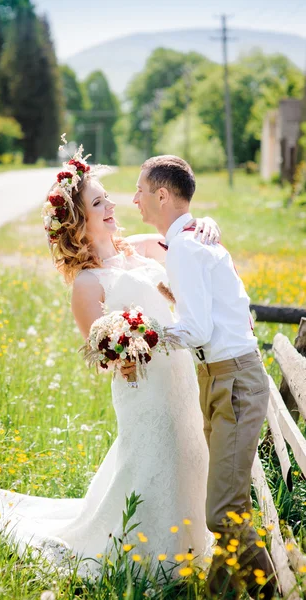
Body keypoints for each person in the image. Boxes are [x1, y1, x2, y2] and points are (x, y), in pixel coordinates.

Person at [0, 144, 220, 579]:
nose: (112, 204)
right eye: (99, 202)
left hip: (181, 383)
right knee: (160, 462)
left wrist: (207, 224)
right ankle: (153, 560)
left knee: (191, 456)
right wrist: (128, 349)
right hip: (145, 394)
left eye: (107, 198)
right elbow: (101, 356)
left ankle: (192, 546)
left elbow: (185, 233)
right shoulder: (86, 284)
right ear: (79, 222)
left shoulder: (140, 248)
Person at [130, 154, 280, 599]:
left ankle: (278, 591)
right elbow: (222, 305)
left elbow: (197, 330)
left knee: (223, 513)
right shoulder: (190, 240)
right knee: (227, 505)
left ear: (161, 195)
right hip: (220, 377)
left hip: (232, 380)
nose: (134, 199)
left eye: (140, 190)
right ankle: (218, 593)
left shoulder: (189, 247)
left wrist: (142, 336)